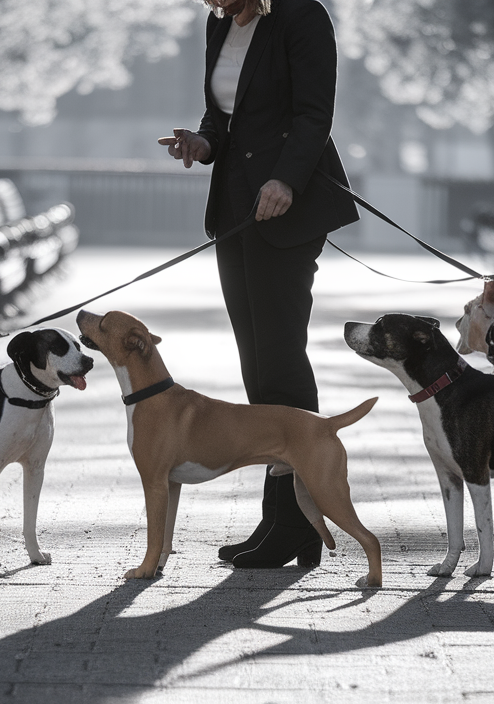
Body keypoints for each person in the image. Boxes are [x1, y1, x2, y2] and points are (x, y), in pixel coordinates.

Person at [158, 0, 358, 569]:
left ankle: (296, 520)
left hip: (285, 209)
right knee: (256, 366)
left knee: (280, 364)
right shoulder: (221, 21)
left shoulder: (301, 16)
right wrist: (202, 143)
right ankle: (281, 516)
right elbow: (224, 118)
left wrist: (286, 179)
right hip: (235, 211)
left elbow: (314, 115)